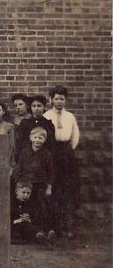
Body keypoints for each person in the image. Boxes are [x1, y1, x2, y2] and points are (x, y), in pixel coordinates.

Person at [43, 85, 80, 238]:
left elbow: (75, 136)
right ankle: (53, 227)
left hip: (66, 153)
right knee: (53, 189)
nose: (59, 102)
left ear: (65, 100)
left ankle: (66, 227)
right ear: (51, 99)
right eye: (56, 98)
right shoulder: (47, 115)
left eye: (62, 99)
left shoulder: (70, 116)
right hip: (52, 151)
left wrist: (68, 150)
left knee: (67, 189)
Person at [13, 126, 55, 231]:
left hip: (40, 184)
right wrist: (18, 183)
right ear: (30, 138)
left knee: (40, 206)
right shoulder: (25, 152)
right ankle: (27, 230)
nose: (37, 140)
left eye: (40, 138)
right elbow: (18, 168)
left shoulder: (46, 154)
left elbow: (51, 172)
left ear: (44, 140)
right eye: (35, 137)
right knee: (26, 206)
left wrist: (49, 187)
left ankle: (41, 230)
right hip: (26, 184)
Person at [11, 181, 54, 246]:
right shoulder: (12, 203)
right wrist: (18, 220)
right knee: (25, 225)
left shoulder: (30, 204)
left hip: (28, 227)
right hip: (15, 228)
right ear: (16, 192)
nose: (26, 195)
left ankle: (45, 238)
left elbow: (34, 218)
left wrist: (29, 219)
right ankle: (45, 238)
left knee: (33, 225)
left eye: (28, 193)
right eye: (23, 192)